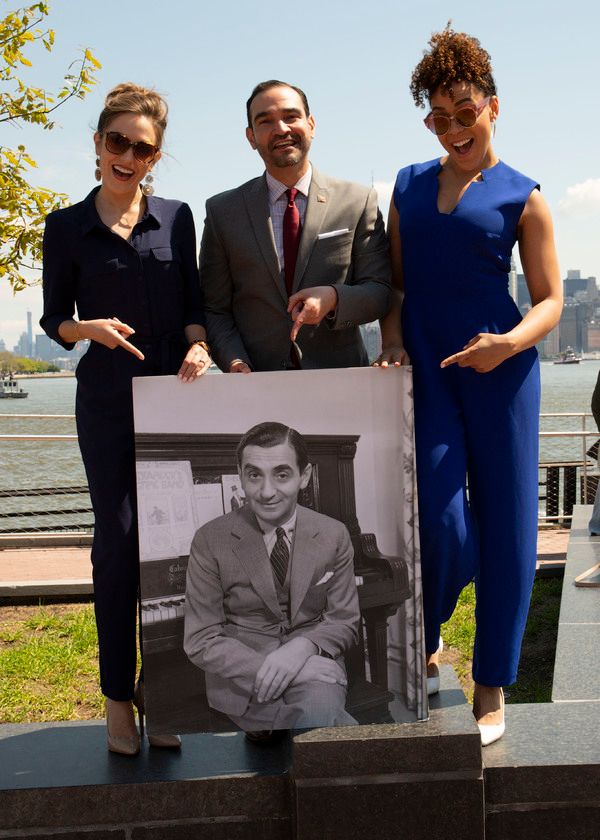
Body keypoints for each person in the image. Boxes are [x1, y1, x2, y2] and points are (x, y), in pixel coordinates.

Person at [376, 27, 562, 745]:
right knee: (438, 514)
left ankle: (491, 684)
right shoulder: (407, 186)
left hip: (502, 370)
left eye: (465, 112)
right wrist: (393, 341)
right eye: (438, 117)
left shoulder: (525, 196)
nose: (453, 128)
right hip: (428, 367)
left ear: (492, 107)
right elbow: (396, 284)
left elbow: (549, 300)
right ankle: (427, 634)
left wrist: (507, 344)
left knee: (510, 523)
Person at [40, 82, 212, 756]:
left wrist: (198, 344)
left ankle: (161, 692)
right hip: (107, 404)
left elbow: (194, 303)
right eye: (118, 141)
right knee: (116, 548)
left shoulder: (176, 217)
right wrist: (87, 328)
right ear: (98, 143)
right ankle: (116, 695)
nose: (128, 156)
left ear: (155, 157)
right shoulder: (65, 226)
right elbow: (54, 319)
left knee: (173, 552)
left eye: (143, 149)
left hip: (174, 399)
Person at [200, 80, 392, 373]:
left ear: (311, 124)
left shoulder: (357, 201)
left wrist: (334, 298)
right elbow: (215, 309)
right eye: (265, 121)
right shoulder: (222, 212)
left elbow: (379, 291)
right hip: (254, 382)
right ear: (251, 137)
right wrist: (234, 360)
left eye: (291, 116)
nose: (281, 129)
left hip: (339, 381)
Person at [184, 422, 360, 733]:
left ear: (304, 476)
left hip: (313, 665)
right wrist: (287, 669)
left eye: (281, 475)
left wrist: (302, 649)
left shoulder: (334, 534)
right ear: (240, 475)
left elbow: (344, 621)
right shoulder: (210, 539)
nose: (266, 492)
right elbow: (201, 639)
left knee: (318, 717)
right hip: (243, 676)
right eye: (254, 475)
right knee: (321, 732)